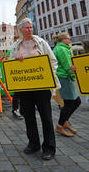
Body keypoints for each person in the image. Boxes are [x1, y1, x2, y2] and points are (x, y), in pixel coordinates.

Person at [9, 18, 59, 161]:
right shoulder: (16, 46)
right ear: (21, 30)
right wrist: (14, 59)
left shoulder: (41, 43)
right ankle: (33, 143)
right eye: (27, 28)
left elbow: (53, 61)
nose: (30, 30)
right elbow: (11, 65)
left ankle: (49, 147)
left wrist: (49, 76)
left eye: (31, 27)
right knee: (29, 117)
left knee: (46, 117)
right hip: (25, 87)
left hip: (42, 87)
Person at [53, 33, 81, 137]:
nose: (70, 40)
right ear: (63, 39)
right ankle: (60, 126)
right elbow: (67, 64)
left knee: (76, 101)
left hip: (64, 77)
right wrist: (74, 77)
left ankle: (65, 121)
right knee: (69, 102)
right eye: (69, 39)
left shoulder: (62, 48)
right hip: (64, 77)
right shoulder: (62, 49)